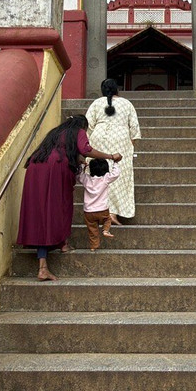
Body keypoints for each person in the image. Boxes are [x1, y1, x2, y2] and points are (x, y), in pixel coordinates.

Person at [16, 115, 121, 281]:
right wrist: (110, 156)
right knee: (61, 206)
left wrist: (79, 160)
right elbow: (86, 150)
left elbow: (69, 152)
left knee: (41, 212)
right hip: (56, 169)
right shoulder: (78, 131)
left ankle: (45, 263)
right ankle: (62, 245)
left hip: (36, 169)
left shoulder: (56, 133)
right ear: (83, 126)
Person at [85, 79, 141, 225]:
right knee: (119, 177)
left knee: (100, 174)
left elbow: (88, 125)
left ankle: (99, 210)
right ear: (117, 90)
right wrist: (130, 143)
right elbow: (134, 127)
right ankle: (113, 213)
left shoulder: (96, 103)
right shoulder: (126, 103)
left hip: (99, 137)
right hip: (121, 139)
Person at [78, 158, 121, 250]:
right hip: (102, 209)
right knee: (108, 219)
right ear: (106, 169)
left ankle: (94, 246)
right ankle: (105, 230)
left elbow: (78, 176)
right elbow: (116, 174)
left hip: (88, 211)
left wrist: (82, 166)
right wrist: (115, 163)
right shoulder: (105, 179)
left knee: (92, 229)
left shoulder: (86, 179)